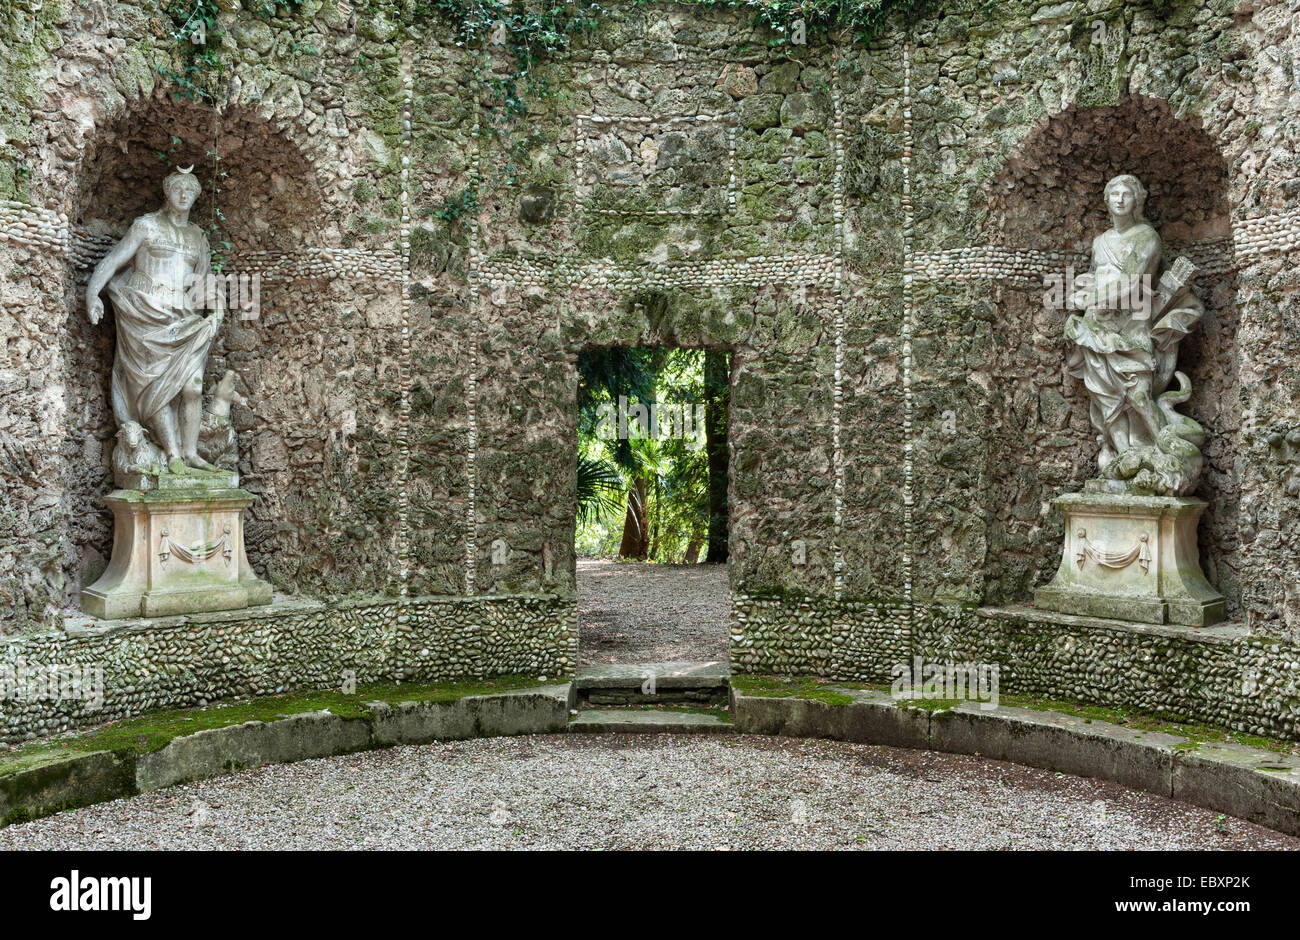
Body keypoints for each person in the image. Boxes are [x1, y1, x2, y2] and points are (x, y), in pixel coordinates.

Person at [86, 167, 223, 475]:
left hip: (184, 316)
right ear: (167, 192)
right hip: (145, 315)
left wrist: (216, 312)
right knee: (155, 384)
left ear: (197, 196)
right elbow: (113, 260)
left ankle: (190, 453)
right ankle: (173, 455)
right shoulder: (146, 226)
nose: (184, 195)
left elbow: (202, 284)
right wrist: (92, 293)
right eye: (178, 189)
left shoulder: (198, 237)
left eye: (190, 190)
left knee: (193, 388)